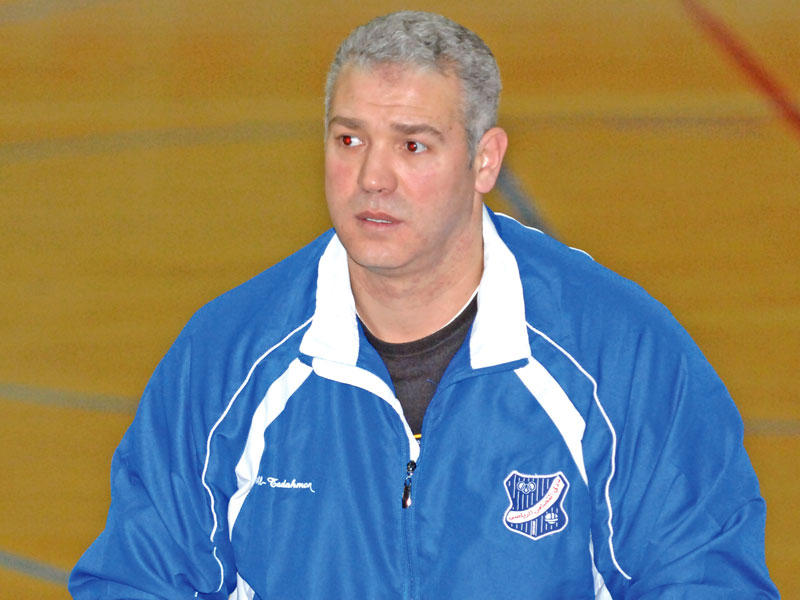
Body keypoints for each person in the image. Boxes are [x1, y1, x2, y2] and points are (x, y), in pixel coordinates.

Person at [69, 10, 779, 599]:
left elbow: (705, 577)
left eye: (412, 145)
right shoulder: (227, 361)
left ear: (485, 161)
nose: (372, 177)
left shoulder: (621, 355)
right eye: (349, 139)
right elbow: (135, 580)